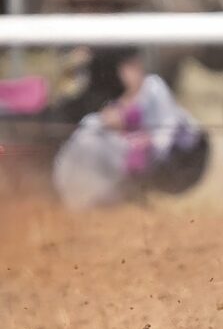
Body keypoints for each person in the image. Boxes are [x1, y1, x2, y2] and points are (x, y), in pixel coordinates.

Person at [52, 48, 208, 209]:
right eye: (127, 68)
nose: (130, 73)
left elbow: (167, 129)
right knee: (88, 142)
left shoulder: (153, 87)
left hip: (179, 155)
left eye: (133, 67)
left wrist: (147, 139)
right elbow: (97, 123)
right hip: (138, 157)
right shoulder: (116, 101)